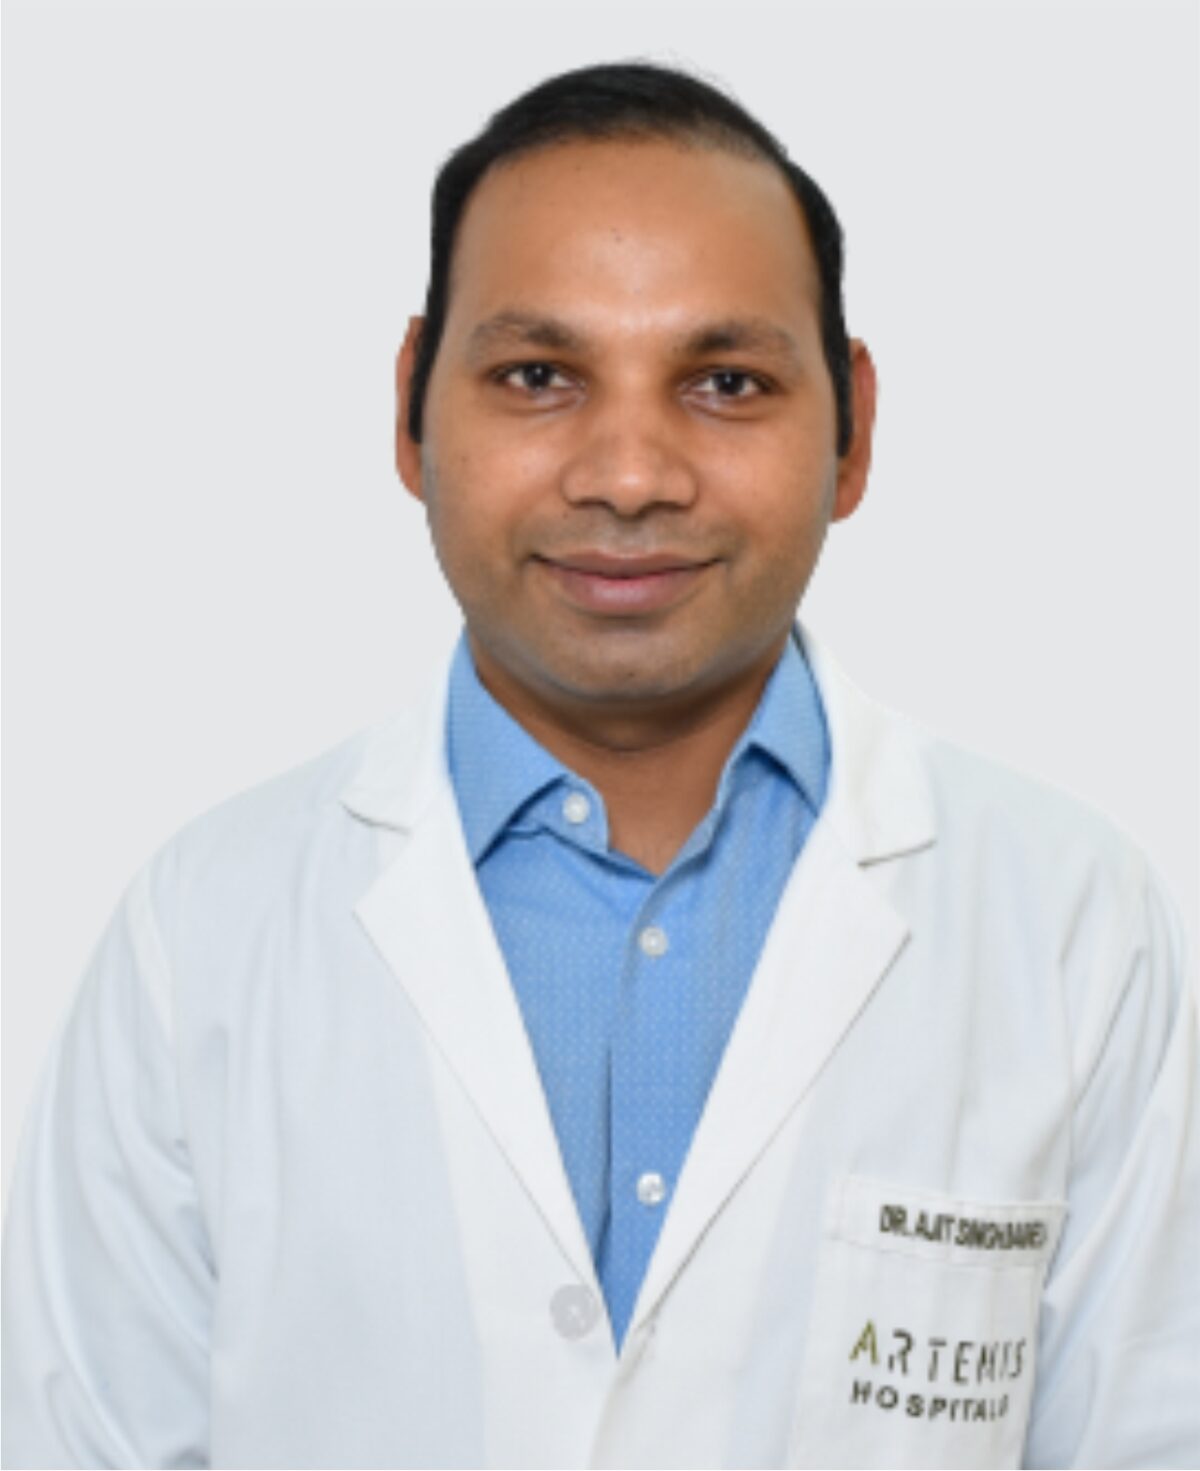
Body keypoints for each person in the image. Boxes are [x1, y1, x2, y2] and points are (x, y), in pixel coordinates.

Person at [2, 59, 1196, 1470]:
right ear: (411, 408)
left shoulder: (1069, 924)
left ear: (853, 430)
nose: (629, 475)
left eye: (727, 382)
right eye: (539, 377)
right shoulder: (201, 934)